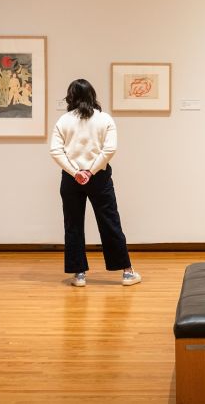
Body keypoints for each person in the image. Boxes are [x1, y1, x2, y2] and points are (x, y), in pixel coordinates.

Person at [49, 79, 140, 287]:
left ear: (70, 96)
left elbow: (55, 151)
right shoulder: (104, 119)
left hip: (71, 178)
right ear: (92, 95)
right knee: (110, 222)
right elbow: (109, 150)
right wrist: (90, 171)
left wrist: (76, 172)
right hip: (99, 176)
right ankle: (127, 272)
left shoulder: (63, 121)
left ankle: (79, 274)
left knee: (73, 224)